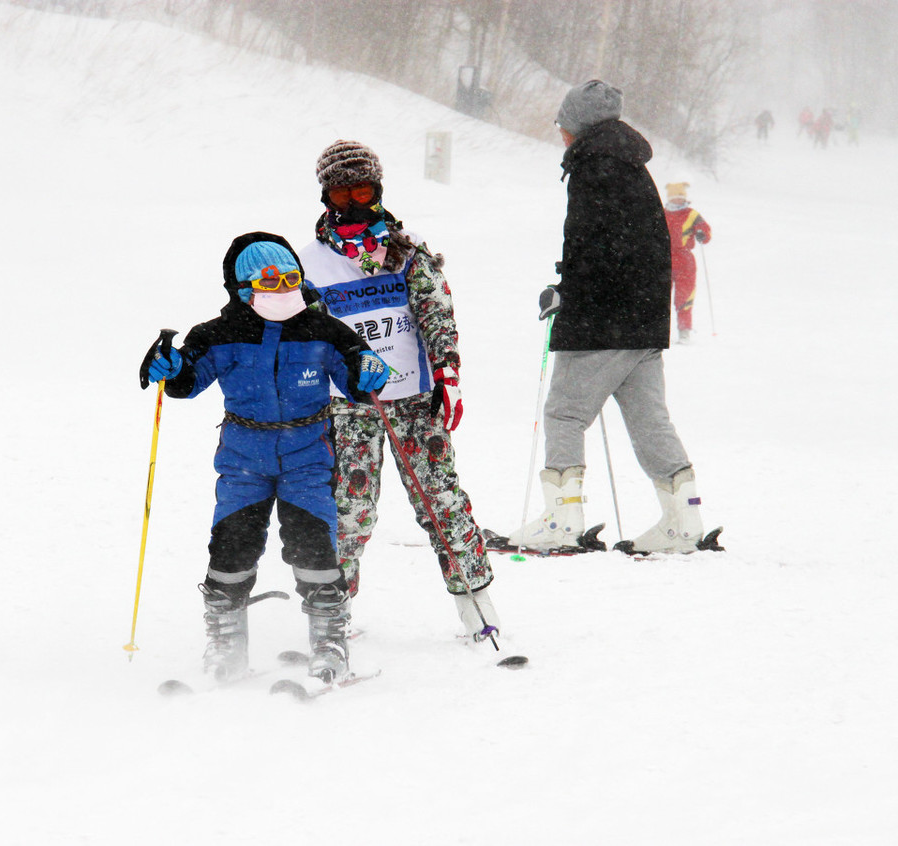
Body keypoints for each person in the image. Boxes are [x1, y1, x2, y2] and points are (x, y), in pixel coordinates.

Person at [140, 231, 389, 683]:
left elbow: (359, 376)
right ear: (242, 288)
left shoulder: (323, 330)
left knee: (313, 547)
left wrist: (369, 371)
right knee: (231, 548)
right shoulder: (217, 335)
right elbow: (187, 381)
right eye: (271, 281)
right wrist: (172, 368)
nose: (284, 290)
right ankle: (226, 645)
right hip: (243, 460)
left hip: (307, 458)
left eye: (292, 278)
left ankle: (330, 642)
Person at [297, 140, 499, 639]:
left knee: (440, 501)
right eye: (340, 193)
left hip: (414, 400)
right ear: (325, 196)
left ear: (378, 190)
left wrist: (447, 374)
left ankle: (480, 613)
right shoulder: (310, 264)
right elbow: (304, 337)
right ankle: (332, 615)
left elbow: (435, 313)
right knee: (349, 510)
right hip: (349, 405)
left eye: (361, 190)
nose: (352, 203)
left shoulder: (409, 252)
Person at [505, 80, 709, 555]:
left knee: (565, 412)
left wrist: (567, 293)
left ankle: (562, 519)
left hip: (606, 318)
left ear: (577, 126)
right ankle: (684, 520)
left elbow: (591, 247)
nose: (559, 132)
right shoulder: (630, 166)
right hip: (642, 318)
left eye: (562, 123)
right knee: (648, 419)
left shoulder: (594, 167)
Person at [662, 181, 712, 343]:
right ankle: (660, 333)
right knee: (659, 298)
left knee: (684, 297)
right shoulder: (661, 212)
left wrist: (702, 234)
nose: (678, 200)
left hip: (684, 261)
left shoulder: (691, 214)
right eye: (675, 197)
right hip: (662, 260)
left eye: (681, 197)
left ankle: (684, 331)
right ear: (670, 198)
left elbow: (705, 229)